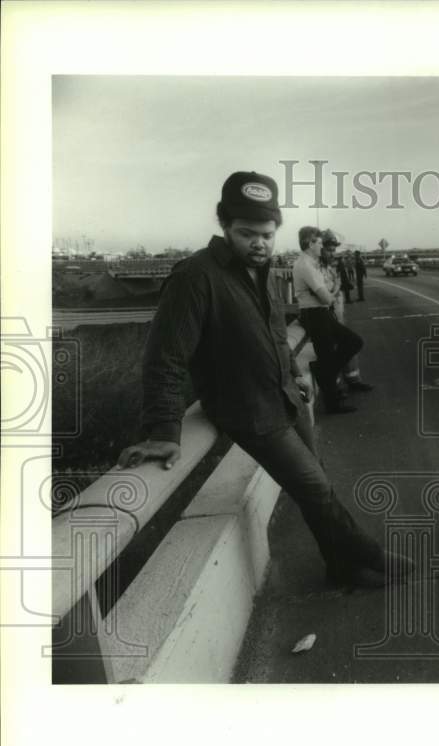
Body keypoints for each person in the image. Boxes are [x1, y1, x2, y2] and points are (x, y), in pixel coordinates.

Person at [115, 170, 412, 588]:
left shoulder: (262, 270)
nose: (259, 242)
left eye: (267, 234)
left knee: (318, 481)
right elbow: (164, 359)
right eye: (247, 233)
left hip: (284, 395)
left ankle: (339, 565)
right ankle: (368, 553)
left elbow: (274, 330)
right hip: (248, 409)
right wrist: (164, 429)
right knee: (313, 486)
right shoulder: (194, 277)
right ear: (224, 225)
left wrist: (293, 372)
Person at [291, 226, 366, 415]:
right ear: (309, 244)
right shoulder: (306, 265)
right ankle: (332, 401)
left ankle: (323, 373)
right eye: (318, 242)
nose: (321, 246)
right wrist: (333, 292)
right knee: (349, 343)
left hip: (319, 313)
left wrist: (329, 292)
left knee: (346, 345)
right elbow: (326, 298)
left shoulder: (310, 263)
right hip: (315, 314)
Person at [320, 231, 373, 393]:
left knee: (345, 344)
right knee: (344, 344)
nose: (333, 254)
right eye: (329, 250)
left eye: (333, 250)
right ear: (319, 249)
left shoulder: (328, 267)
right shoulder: (315, 268)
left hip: (335, 314)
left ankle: (352, 380)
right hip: (325, 316)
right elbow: (327, 294)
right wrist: (336, 288)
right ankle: (334, 385)